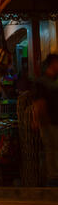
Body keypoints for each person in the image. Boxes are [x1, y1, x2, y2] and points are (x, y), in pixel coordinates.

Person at [33, 54, 58, 186]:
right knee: (51, 148)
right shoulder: (42, 83)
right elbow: (38, 104)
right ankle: (53, 177)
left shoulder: (53, 82)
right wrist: (38, 120)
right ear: (51, 64)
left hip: (54, 120)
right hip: (47, 121)